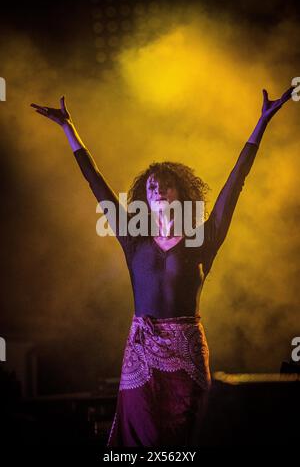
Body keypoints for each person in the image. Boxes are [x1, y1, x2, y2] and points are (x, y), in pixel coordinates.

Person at [31, 86, 293, 446]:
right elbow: (97, 185)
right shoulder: (133, 238)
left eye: (167, 186)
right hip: (141, 352)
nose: (158, 191)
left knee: (187, 433)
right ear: (145, 198)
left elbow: (236, 182)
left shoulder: (204, 239)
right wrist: (68, 129)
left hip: (186, 350)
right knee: (142, 436)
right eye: (153, 187)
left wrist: (261, 121)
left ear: (180, 195)